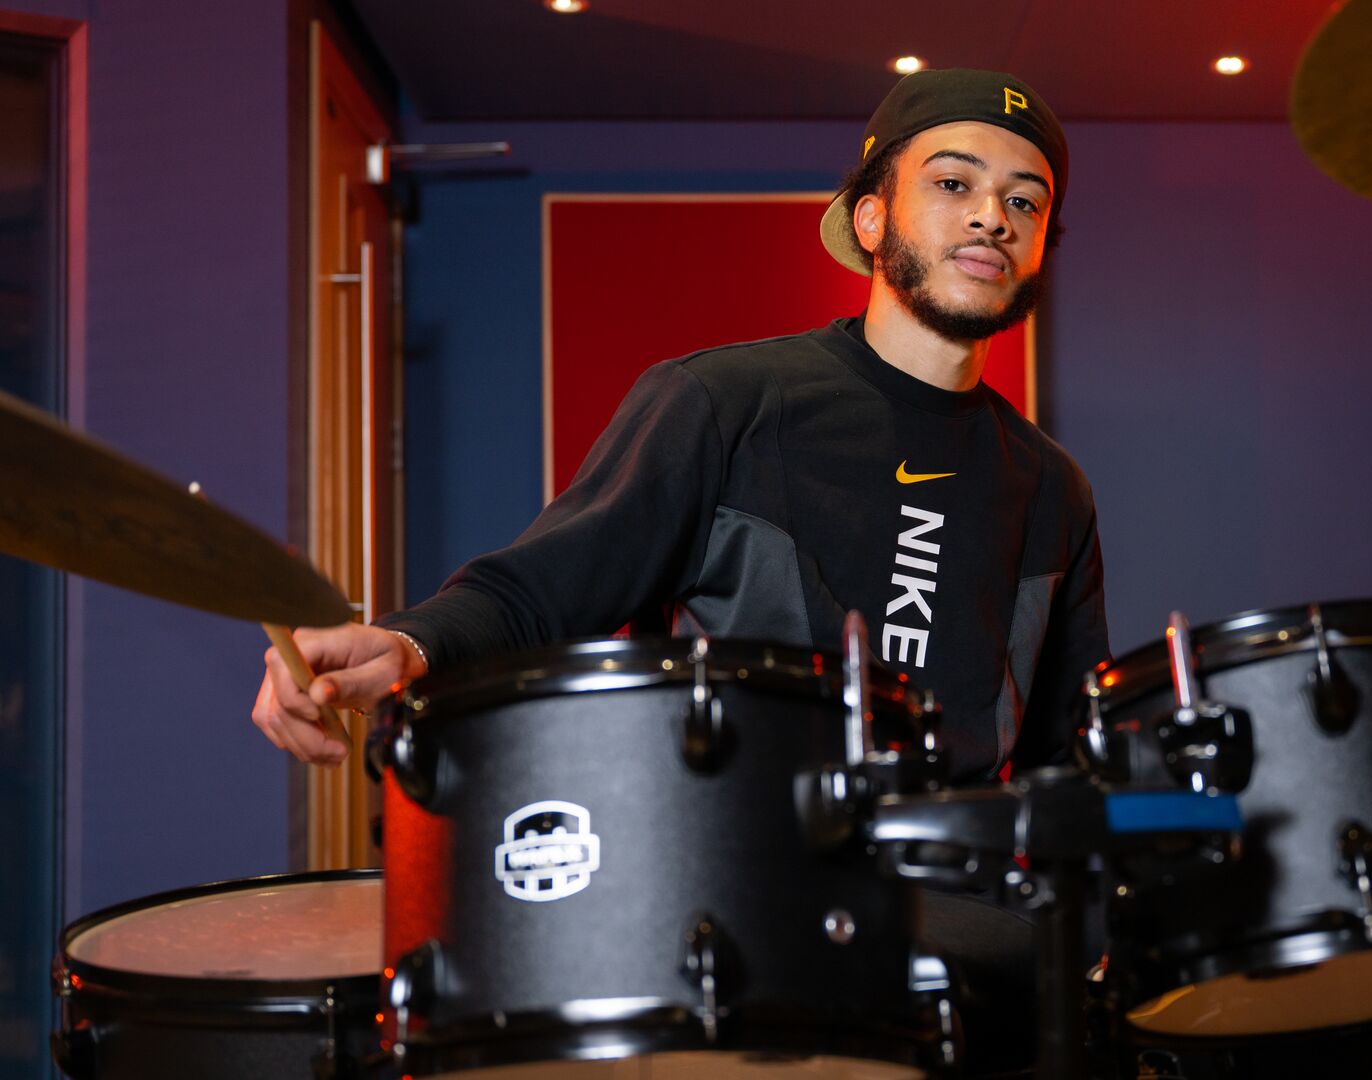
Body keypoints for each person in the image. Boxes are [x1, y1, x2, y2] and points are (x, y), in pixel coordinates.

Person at [249, 68, 1107, 1074]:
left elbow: (1064, 764)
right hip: (733, 904)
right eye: (954, 184)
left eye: (1023, 200)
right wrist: (401, 644)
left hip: (959, 932)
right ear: (872, 219)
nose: (993, 218)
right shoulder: (721, 401)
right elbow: (538, 592)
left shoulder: (1053, 488)